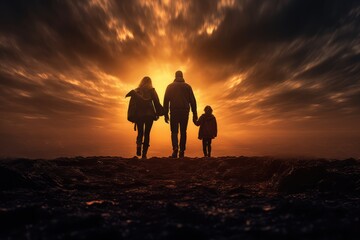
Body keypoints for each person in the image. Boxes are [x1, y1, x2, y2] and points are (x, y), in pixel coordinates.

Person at [125, 76, 163, 159]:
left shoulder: (136, 91)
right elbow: (156, 102)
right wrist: (159, 112)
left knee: (140, 132)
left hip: (139, 115)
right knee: (147, 134)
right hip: (149, 115)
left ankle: (138, 146)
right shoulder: (152, 90)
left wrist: (132, 115)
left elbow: (132, 104)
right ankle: (144, 154)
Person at [163, 70, 197, 158]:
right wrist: (195, 114)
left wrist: (165, 114)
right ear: (182, 76)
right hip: (185, 111)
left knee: (174, 131)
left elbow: (166, 101)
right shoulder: (188, 87)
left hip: (174, 111)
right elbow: (193, 101)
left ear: (175, 76)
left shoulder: (169, 86)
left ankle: (175, 147)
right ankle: (182, 150)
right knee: (183, 131)